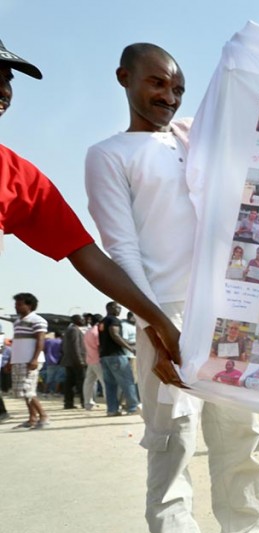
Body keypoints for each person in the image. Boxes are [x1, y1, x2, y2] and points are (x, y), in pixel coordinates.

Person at [86, 43, 259, 533]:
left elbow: (257, 125)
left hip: (226, 311)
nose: (168, 96)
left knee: (239, 434)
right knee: (171, 442)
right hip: (164, 314)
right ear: (124, 78)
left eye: (176, 87)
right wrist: (158, 325)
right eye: (156, 84)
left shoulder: (196, 134)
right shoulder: (109, 153)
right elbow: (121, 248)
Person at [0, 38, 183, 383]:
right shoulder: (109, 155)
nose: (3, 90)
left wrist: (159, 324)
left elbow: (88, 256)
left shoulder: (17, 176)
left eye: (7, 78)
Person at [9, 292, 49, 429]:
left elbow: (40, 340)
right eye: (16, 305)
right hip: (19, 360)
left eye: (20, 305)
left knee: (28, 390)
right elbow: (17, 343)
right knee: (22, 391)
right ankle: (32, 418)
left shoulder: (37, 320)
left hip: (30, 360)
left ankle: (43, 416)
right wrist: (11, 360)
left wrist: (35, 359)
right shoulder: (18, 322)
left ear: (29, 305)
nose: (17, 307)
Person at [97, 301, 139, 416]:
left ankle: (112, 410)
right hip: (116, 355)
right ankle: (133, 407)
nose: (119, 309)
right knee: (127, 382)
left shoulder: (101, 322)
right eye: (117, 307)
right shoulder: (114, 320)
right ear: (110, 308)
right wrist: (130, 348)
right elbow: (115, 335)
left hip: (105, 356)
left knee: (110, 385)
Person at [60, 314, 88, 409]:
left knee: (70, 383)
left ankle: (68, 403)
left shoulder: (70, 330)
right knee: (81, 382)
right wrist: (79, 360)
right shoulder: (74, 330)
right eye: (82, 319)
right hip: (75, 361)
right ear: (76, 320)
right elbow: (75, 346)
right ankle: (84, 402)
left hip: (70, 360)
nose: (83, 320)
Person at [82, 315, 104, 410]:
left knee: (89, 382)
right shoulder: (97, 332)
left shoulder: (88, 332)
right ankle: (110, 403)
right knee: (104, 382)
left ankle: (88, 403)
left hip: (90, 359)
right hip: (98, 360)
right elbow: (99, 347)